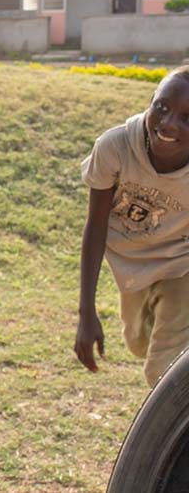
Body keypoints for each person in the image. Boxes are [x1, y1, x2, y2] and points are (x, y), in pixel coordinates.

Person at [75, 66, 189, 388]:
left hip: (181, 262)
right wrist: (87, 312)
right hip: (132, 264)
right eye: (162, 108)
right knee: (137, 342)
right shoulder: (115, 148)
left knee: (163, 371)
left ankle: (170, 435)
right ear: (150, 101)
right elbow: (95, 227)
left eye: (186, 118)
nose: (168, 124)